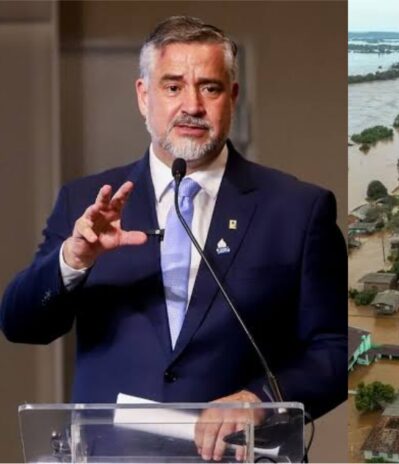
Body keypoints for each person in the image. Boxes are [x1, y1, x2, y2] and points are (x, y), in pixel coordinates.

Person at [0, 16, 346, 461]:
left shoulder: (298, 208)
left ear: (232, 98)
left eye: (210, 88)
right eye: (172, 87)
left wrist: (260, 399)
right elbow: (20, 323)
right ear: (144, 96)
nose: (193, 105)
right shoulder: (84, 201)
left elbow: (335, 353)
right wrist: (74, 258)